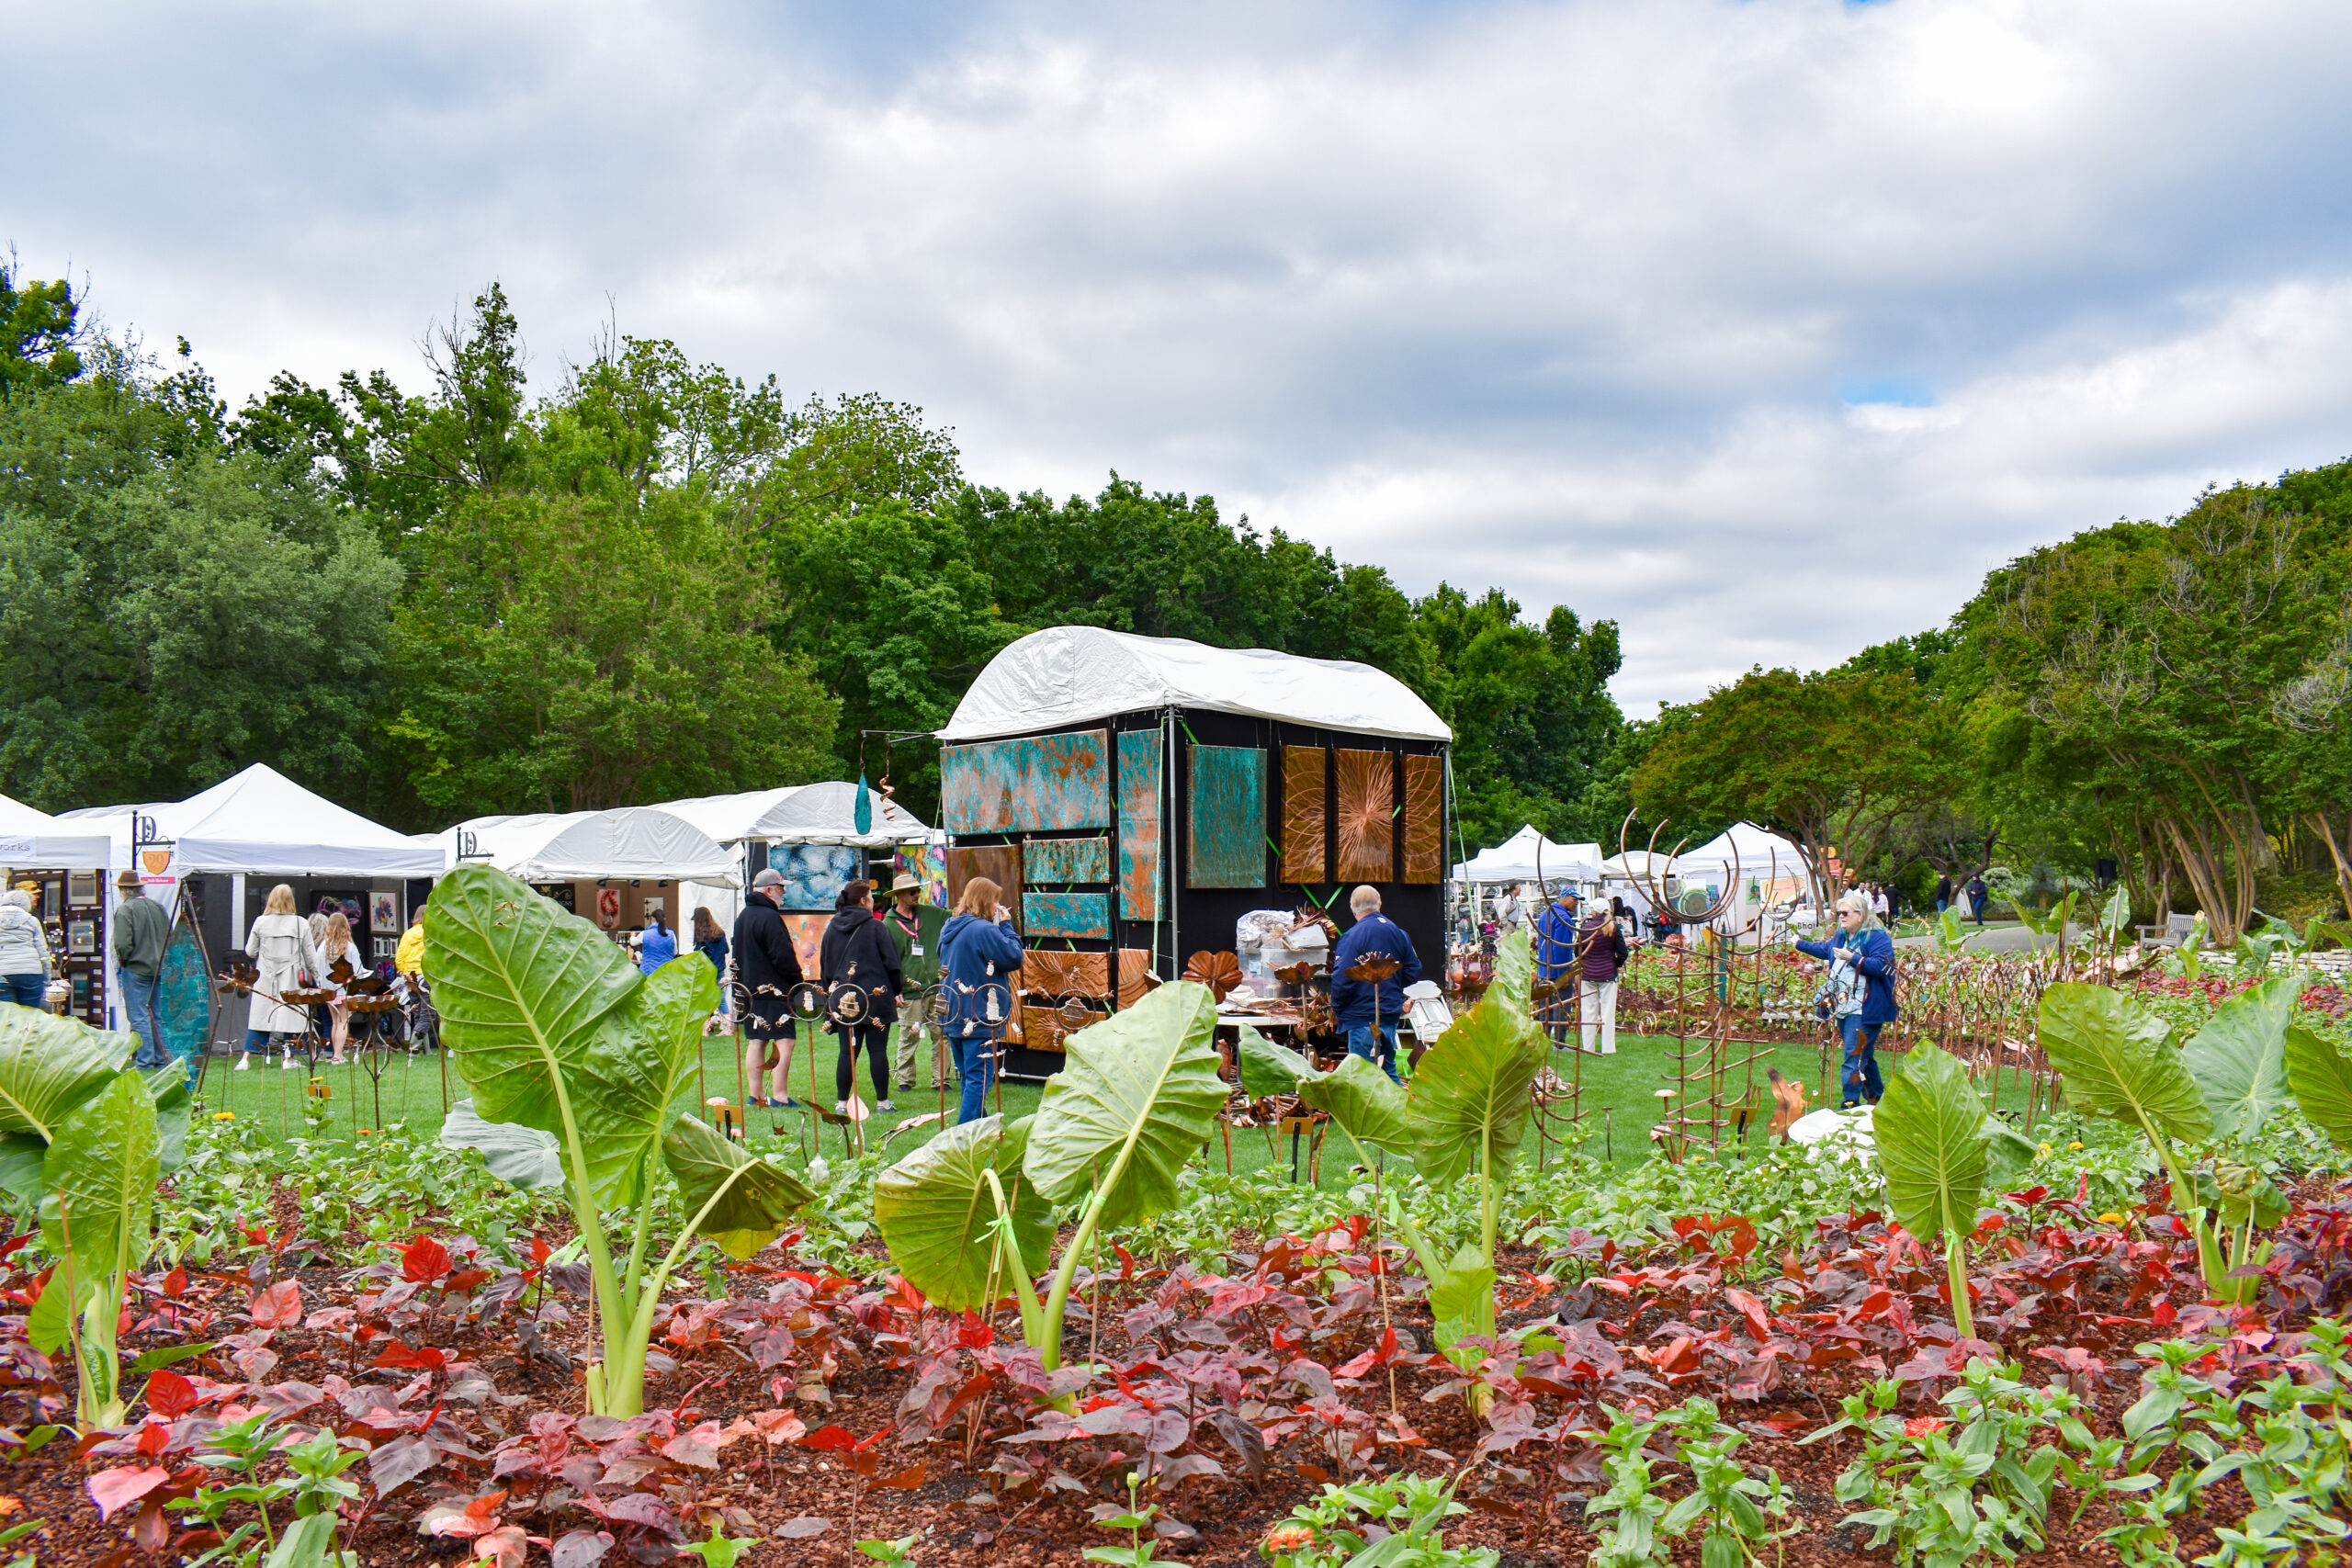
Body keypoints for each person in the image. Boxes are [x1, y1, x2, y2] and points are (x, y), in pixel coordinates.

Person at [1795, 889, 1898, 1108]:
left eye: (1845, 913)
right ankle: (1878, 1101)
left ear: (1860, 915)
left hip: (1864, 1008)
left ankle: (1849, 1106)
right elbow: (1826, 950)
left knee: (1853, 1056)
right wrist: (1799, 943)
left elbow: (1883, 966)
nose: (1841, 917)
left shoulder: (1877, 937)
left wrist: (1854, 958)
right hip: (1843, 1006)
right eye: (1839, 913)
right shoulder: (1843, 936)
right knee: (1863, 1056)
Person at [937, 876, 1023, 1124]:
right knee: (979, 1078)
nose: (997, 906)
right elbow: (1014, 957)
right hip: (979, 1014)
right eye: (995, 900)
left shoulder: (949, 926)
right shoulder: (983, 930)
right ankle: (963, 1136)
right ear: (985, 900)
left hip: (953, 1012)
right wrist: (1006, 926)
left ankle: (979, 1128)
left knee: (970, 1077)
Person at [821, 879, 902, 1113]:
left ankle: (841, 1103)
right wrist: (896, 990)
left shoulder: (832, 928)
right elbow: (893, 964)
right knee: (877, 1050)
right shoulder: (876, 927)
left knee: (847, 1052)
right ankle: (882, 1103)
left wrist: (832, 991)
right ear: (863, 900)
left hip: (844, 997)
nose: (873, 901)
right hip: (875, 996)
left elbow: (825, 966)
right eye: (871, 897)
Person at [1329, 886, 1422, 1083]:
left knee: (1362, 1077)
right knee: (1388, 1071)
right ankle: (1398, 1103)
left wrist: (1338, 1007)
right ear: (1380, 904)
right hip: (1389, 1014)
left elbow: (1342, 979)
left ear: (1352, 908)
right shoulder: (1399, 933)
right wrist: (1392, 985)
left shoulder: (1352, 937)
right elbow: (1413, 970)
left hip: (1362, 1016)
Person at [733, 868, 805, 1108]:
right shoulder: (769, 917)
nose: (784, 893)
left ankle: (756, 1096)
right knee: (785, 1040)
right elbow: (782, 956)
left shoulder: (743, 917)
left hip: (749, 990)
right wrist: (796, 981)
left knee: (757, 1040)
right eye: (781, 888)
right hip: (774, 991)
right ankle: (779, 1096)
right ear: (769, 890)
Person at [242, 884, 323, 1070]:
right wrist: (316, 977)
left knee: (260, 1017)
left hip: (265, 976)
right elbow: (310, 955)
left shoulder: (260, 922)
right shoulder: (300, 923)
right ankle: (289, 1059)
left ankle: (245, 1059)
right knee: (292, 1016)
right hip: (291, 976)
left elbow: (250, 951)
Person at [881, 874, 947, 1094]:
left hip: (936, 988)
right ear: (900, 895)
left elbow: (956, 916)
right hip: (909, 992)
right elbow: (885, 961)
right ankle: (905, 1081)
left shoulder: (931, 914)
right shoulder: (887, 926)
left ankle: (942, 1080)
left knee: (942, 1035)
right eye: (912, 891)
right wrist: (894, 989)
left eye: (918, 890)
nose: (917, 894)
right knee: (909, 1036)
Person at [1577, 895, 1629, 1054]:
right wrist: (1615, 964)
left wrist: (1585, 963)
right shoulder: (1613, 927)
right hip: (1608, 974)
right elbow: (1623, 952)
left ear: (1594, 911)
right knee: (1608, 1013)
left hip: (1588, 974)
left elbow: (1578, 952)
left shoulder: (1585, 928)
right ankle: (1608, 1048)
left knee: (1588, 1012)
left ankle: (1588, 1047)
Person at [318, 911, 369, 1066]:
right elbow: (358, 970)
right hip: (345, 990)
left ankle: (335, 1054)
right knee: (343, 1022)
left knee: (335, 1022)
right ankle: (338, 1055)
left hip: (328, 991)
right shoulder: (350, 947)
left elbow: (317, 969)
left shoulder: (323, 947)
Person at [1532, 886, 1581, 1045]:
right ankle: (1559, 1043)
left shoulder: (1546, 914)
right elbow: (1561, 948)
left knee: (1545, 1008)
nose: (1576, 903)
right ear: (1564, 898)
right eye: (1574, 899)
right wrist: (1564, 974)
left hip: (1544, 969)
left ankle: (1542, 1042)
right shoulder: (1563, 918)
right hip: (1558, 971)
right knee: (1561, 1006)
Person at [0, 886, 51, 1010]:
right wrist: (46, 979)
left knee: (7, 1017)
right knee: (30, 1015)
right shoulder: (31, 920)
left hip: (2, 973)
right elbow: (43, 952)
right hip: (31, 972)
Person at [639, 908, 677, 976]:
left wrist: (632, 935)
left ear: (652, 919)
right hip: (667, 972)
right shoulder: (671, 934)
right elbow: (675, 952)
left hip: (649, 971)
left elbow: (632, 942)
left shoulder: (645, 933)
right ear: (665, 919)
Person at [395, 903, 426, 979]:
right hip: (426, 973)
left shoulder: (407, 933)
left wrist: (404, 971)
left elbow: (399, 958)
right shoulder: (431, 934)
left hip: (409, 975)